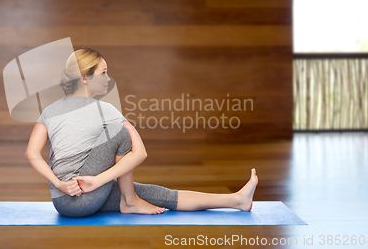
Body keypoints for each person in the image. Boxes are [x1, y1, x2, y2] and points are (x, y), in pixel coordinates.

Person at [25, 48, 258, 218]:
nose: (108, 78)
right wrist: (96, 181)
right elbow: (140, 153)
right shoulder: (106, 110)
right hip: (86, 195)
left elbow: (32, 153)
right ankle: (129, 201)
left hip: (63, 202)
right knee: (122, 132)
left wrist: (60, 184)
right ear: (85, 78)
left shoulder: (50, 110)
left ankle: (236, 200)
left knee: (155, 194)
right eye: (103, 73)